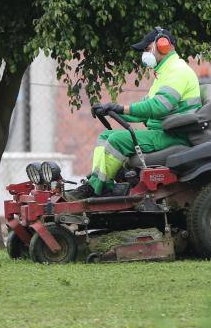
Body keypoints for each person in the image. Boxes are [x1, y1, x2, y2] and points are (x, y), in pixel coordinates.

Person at [65, 27, 201, 201]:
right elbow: (145, 111)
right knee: (106, 135)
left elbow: (158, 107)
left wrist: (122, 109)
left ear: (163, 45)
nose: (144, 54)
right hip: (161, 131)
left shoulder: (178, 71)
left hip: (174, 134)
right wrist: (111, 110)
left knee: (117, 140)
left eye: (146, 49)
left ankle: (95, 189)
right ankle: (98, 183)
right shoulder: (165, 72)